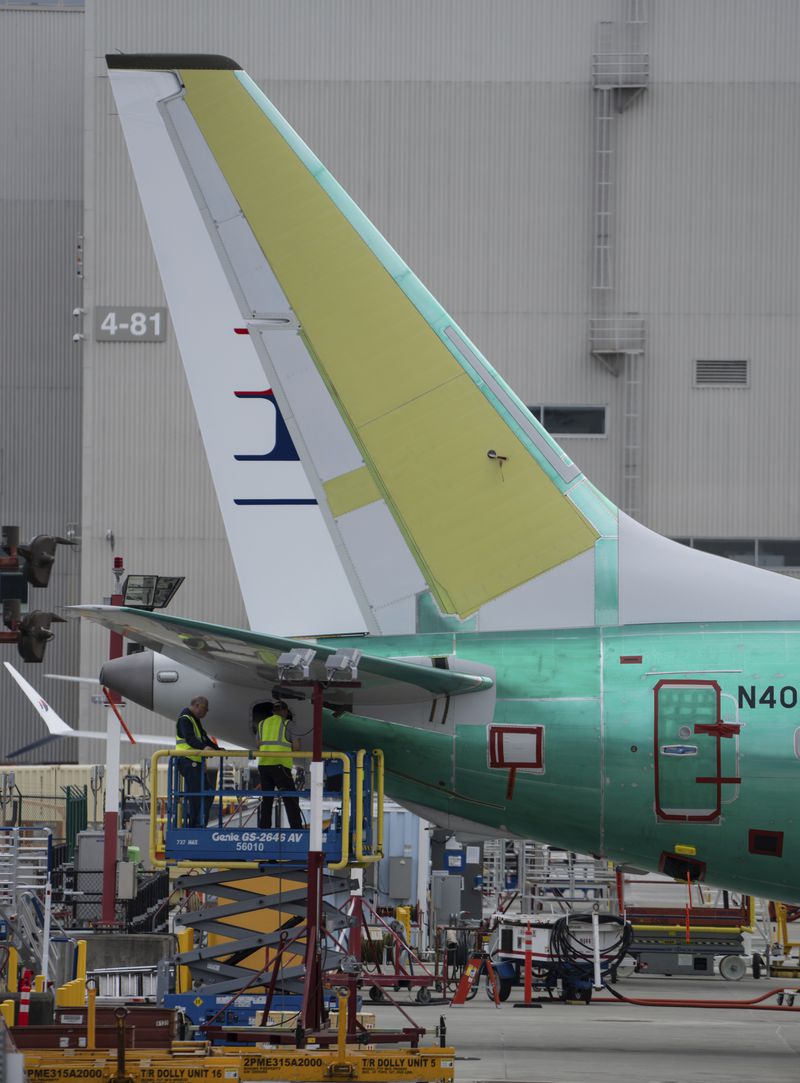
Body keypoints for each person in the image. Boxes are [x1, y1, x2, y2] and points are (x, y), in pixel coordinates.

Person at [254, 700, 303, 829]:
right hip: (281, 765)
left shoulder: (262, 724)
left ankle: (264, 828)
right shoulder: (288, 724)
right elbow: (297, 747)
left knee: (267, 799)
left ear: (273, 711)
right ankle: (296, 829)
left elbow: (258, 745)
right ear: (285, 711)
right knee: (291, 799)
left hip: (264, 765)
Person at [174, 696, 218, 827]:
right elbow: (190, 739)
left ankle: (199, 823)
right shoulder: (185, 719)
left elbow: (204, 738)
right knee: (196, 796)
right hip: (188, 761)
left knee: (206, 793)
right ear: (197, 705)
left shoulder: (195, 720)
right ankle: (195, 825)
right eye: (204, 709)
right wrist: (204, 748)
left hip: (195, 763)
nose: (205, 713)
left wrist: (217, 749)